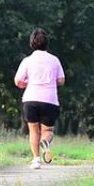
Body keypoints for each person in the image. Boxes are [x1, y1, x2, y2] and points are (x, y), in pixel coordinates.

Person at [14, 28, 65, 169]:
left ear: (32, 43)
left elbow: (18, 81)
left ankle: (36, 160)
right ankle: (45, 143)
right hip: (49, 100)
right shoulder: (54, 60)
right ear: (46, 44)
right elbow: (61, 80)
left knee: (33, 130)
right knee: (47, 131)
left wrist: (26, 83)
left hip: (31, 99)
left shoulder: (27, 60)